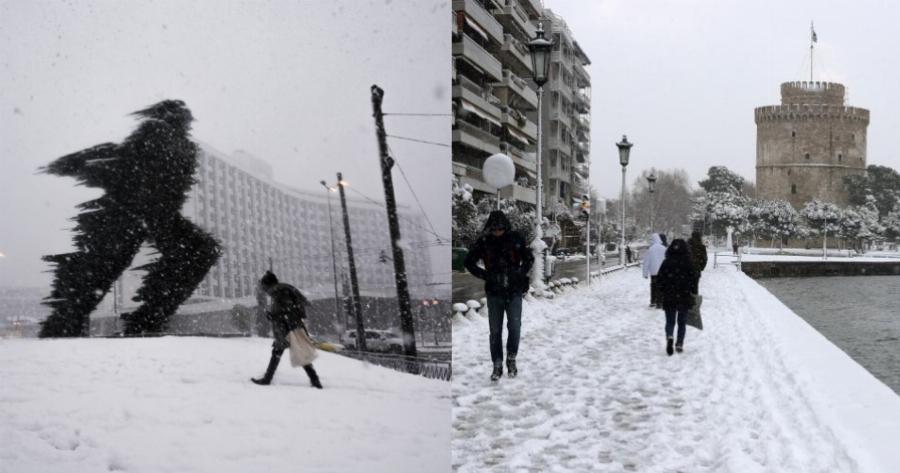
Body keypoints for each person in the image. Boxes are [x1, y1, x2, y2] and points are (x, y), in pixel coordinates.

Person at [464, 210, 534, 381]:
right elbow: (468, 262)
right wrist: (486, 275)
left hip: (514, 290)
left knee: (515, 327)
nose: (497, 232)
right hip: (494, 292)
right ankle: (496, 363)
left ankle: (511, 358)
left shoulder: (516, 238)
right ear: (490, 228)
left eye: (500, 229)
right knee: (495, 331)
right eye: (494, 229)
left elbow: (529, 259)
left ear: (505, 227)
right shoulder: (484, 241)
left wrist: (519, 273)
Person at [251, 271, 323, 389]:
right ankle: (315, 380)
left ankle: (267, 379)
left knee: (282, 352)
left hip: (287, 329)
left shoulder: (279, 291)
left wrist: (274, 317)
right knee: (291, 352)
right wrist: (274, 315)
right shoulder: (282, 290)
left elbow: (288, 311)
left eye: (264, 286)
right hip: (288, 328)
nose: (264, 290)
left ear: (268, 284)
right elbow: (286, 310)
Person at [656, 239, 696, 355]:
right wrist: (692, 292)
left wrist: (663, 291)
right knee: (682, 322)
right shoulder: (688, 262)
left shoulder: (667, 262)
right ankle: (679, 343)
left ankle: (669, 336)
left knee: (670, 321)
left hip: (669, 295)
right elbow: (693, 280)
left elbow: (660, 279)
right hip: (684, 295)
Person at [642, 233, 667, 308]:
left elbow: (646, 262)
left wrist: (645, 273)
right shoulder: (663, 248)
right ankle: (660, 302)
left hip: (653, 272)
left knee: (653, 286)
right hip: (663, 271)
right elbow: (667, 259)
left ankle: (653, 301)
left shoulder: (651, 249)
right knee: (661, 286)